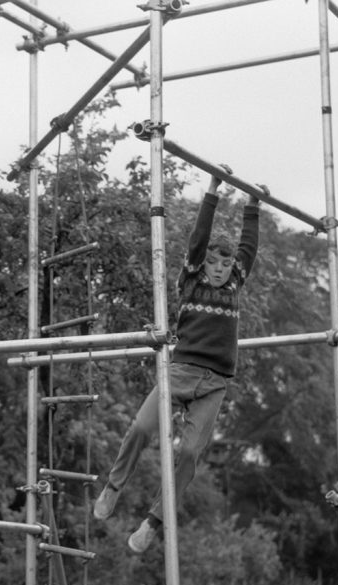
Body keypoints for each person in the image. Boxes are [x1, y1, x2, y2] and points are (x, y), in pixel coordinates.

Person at [92, 169, 262, 553]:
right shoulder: (191, 281)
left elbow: (248, 247)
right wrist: (213, 191)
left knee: (188, 453)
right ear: (203, 266)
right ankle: (114, 487)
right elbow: (198, 238)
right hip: (180, 372)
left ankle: (153, 523)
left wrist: (253, 205)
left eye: (225, 265)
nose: (220, 270)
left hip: (214, 383)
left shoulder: (235, 282)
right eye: (214, 264)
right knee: (141, 427)